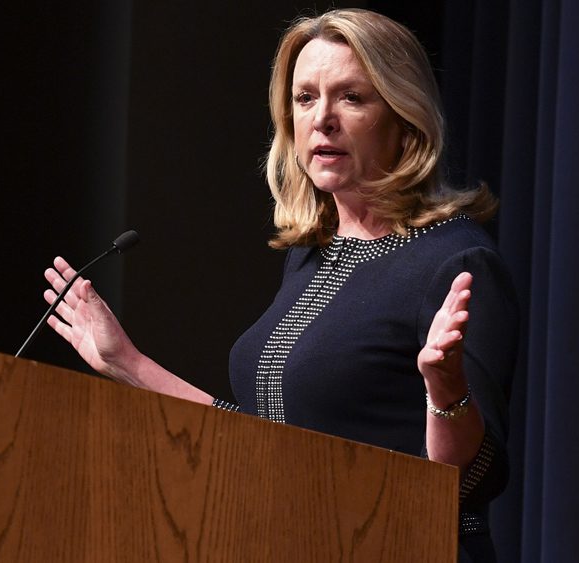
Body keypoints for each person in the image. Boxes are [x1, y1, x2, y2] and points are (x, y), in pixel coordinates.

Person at [41, 8, 517, 562]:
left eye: (352, 98)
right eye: (305, 98)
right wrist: (126, 362)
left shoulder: (457, 261)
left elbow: (472, 480)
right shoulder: (312, 254)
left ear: (403, 116)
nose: (323, 119)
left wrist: (445, 391)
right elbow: (269, 441)